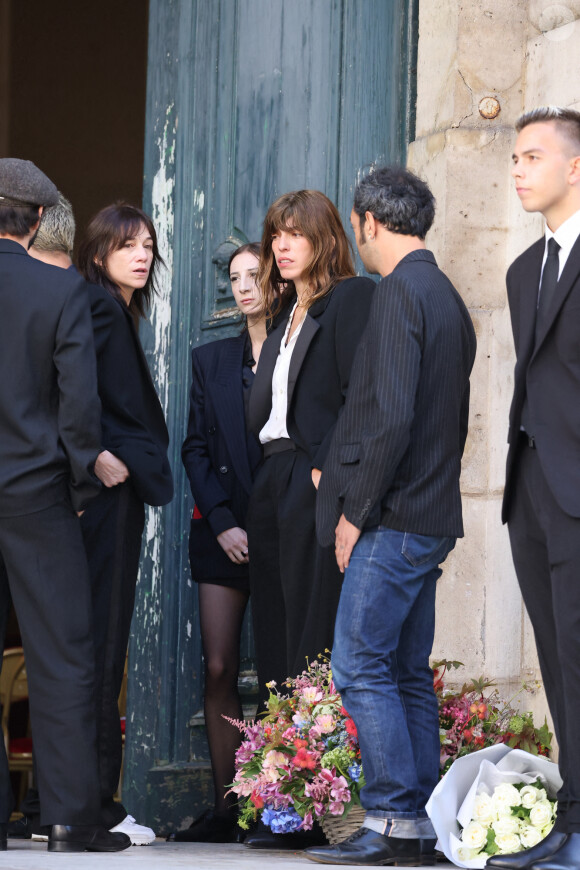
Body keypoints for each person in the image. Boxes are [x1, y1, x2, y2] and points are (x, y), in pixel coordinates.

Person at [307, 166, 476, 866]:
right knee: (404, 670)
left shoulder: (401, 292)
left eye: (356, 224)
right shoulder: (446, 295)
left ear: (368, 223)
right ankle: (418, 826)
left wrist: (354, 512)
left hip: (397, 516)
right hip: (430, 513)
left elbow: (391, 418)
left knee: (359, 665)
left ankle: (388, 818)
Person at [0, 158, 130, 853]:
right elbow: (80, 413)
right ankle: (71, 820)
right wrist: (79, 490)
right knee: (64, 657)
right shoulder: (60, 293)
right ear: (41, 220)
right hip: (35, 494)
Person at [244, 190, 375, 849]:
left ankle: (333, 813)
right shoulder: (283, 315)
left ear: (325, 238)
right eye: (276, 236)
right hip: (271, 479)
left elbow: (363, 393)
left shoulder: (350, 300)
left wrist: (331, 470)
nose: (283, 246)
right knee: (272, 638)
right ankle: (284, 808)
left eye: (295, 233)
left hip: (311, 476)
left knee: (311, 638)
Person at [486, 107, 580, 870]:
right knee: (558, 658)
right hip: (535, 495)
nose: (517, 168)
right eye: (513, 158)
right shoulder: (523, 271)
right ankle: (574, 816)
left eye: (531, 156)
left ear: (575, 167)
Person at [75, 203, 174, 845]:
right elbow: (74, 391)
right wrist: (95, 453)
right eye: (126, 245)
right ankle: (96, 803)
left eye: (147, 245)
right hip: (107, 497)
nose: (140, 255)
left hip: (110, 492)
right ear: (98, 252)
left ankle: (85, 794)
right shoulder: (99, 308)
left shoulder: (110, 308)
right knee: (104, 643)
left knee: (97, 645)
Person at [172, 243, 265, 843]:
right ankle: (227, 804)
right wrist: (226, 520)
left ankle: (287, 804)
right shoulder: (211, 359)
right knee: (218, 665)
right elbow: (195, 448)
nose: (243, 286)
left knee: (291, 669)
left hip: (287, 528)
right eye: (234, 278)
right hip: (222, 530)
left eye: (254, 275)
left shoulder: (301, 351)